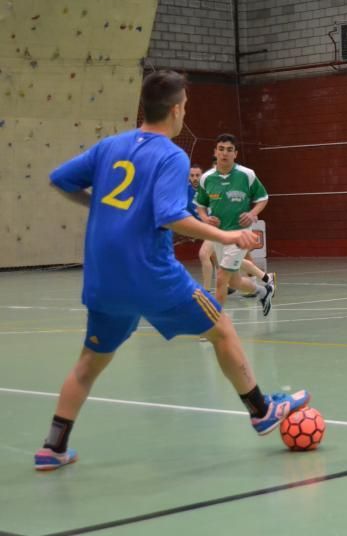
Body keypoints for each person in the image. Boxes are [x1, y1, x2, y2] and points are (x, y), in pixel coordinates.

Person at [37, 70, 309, 470]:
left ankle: (52, 447)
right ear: (178, 108)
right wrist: (232, 238)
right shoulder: (170, 154)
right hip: (150, 273)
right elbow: (168, 216)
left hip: (103, 277)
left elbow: (60, 179)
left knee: (89, 362)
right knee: (221, 328)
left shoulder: (110, 146)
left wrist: (96, 205)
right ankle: (261, 411)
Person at [195, 134, 275, 311]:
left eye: (229, 150)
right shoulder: (206, 178)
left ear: (235, 154)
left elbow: (263, 198)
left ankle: (215, 324)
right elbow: (200, 205)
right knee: (234, 280)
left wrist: (252, 213)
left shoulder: (247, 175)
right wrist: (205, 219)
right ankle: (263, 291)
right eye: (221, 149)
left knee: (222, 277)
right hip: (218, 235)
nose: (225, 153)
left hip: (240, 234)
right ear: (215, 152)